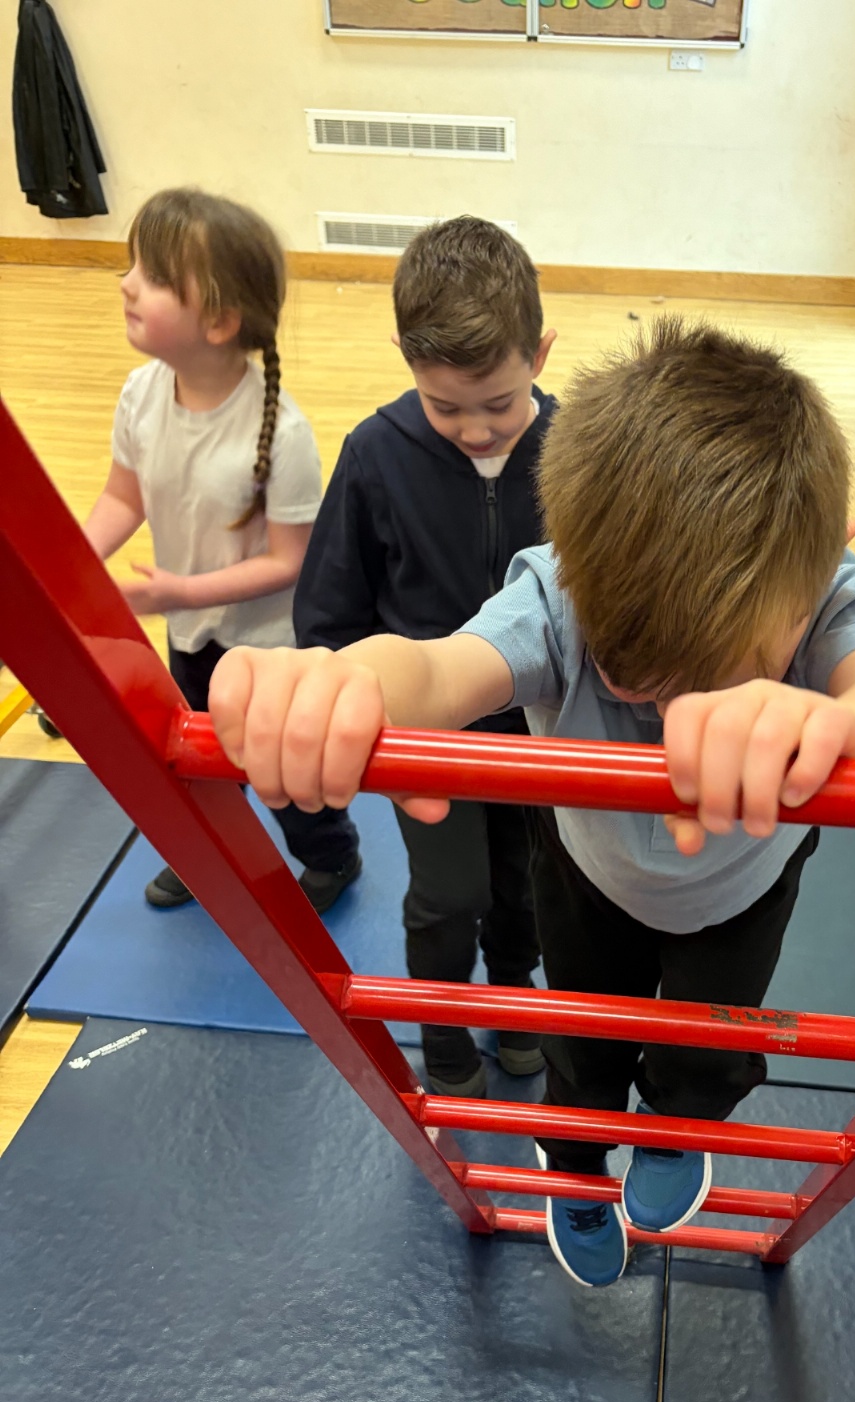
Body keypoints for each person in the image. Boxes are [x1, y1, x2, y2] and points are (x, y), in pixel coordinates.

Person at [208, 319, 855, 1289]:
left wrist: (842, 724)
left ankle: (676, 1129)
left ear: (823, 566)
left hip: (742, 888)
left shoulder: (819, 589)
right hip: (587, 877)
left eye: (709, 672)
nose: (651, 700)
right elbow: (441, 669)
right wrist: (346, 682)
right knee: (580, 1041)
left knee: (709, 1050)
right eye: (622, 670)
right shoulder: (564, 591)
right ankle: (572, 1164)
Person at [294, 217, 557, 1099]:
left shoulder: (582, 451)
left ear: (540, 355)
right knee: (450, 895)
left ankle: (513, 998)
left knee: (529, 888)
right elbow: (328, 613)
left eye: (500, 404)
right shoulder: (376, 455)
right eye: (446, 407)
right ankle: (442, 1034)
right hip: (426, 738)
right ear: (407, 364)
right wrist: (359, 707)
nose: (476, 429)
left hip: (543, 731)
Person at [82, 187, 361, 912]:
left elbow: (289, 561)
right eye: (131, 266)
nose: (126, 283)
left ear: (219, 321)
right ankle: (208, 852)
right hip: (190, 635)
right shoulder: (140, 394)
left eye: (154, 276)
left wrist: (179, 591)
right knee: (197, 763)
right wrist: (76, 561)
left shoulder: (284, 435)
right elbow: (123, 497)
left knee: (283, 776)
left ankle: (332, 855)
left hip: (265, 648)